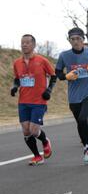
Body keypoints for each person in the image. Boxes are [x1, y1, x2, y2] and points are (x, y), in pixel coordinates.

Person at [55, 27, 88, 165]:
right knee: (80, 122)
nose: (76, 42)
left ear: (83, 40)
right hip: (74, 96)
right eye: (73, 39)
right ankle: (86, 146)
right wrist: (66, 76)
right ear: (69, 41)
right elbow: (57, 72)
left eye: (78, 39)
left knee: (84, 118)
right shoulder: (64, 55)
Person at [11, 34, 56, 166]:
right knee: (26, 131)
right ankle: (37, 156)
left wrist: (49, 90)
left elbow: (53, 76)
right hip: (23, 101)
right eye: (22, 42)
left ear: (33, 45)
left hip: (38, 101)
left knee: (34, 131)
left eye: (27, 42)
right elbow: (17, 78)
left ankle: (45, 141)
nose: (24, 45)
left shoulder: (42, 61)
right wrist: (14, 87)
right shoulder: (17, 63)